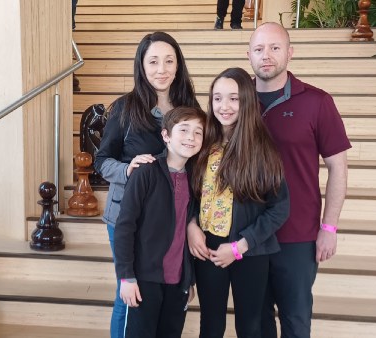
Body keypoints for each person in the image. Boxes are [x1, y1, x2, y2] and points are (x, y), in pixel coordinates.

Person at [247, 22, 351, 338]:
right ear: (248, 55)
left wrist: (329, 227)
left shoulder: (317, 102)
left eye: (275, 48)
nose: (267, 56)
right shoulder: (234, 103)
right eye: (259, 49)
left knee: (295, 322)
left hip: (297, 236)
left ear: (290, 53)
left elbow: (338, 167)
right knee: (254, 324)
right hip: (247, 235)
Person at [94, 31, 200, 338]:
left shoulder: (189, 107)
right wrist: (128, 170)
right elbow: (101, 160)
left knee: (163, 291)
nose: (161, 69)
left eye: (169, 61)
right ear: (141, 66)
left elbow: (194, 167)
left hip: (172, 217)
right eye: (153, 61)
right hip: (127, 216)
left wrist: (192, 220)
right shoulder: (125, 108)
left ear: (178, 65)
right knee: (127, 293)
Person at [187, 67, 290, 338]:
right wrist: (191, 225)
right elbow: (187, 195)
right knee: (210, 326)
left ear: (246, 100)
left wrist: (240, 246)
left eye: (233, 98)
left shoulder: (263, 148)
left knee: (250, 326)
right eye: (217, 98)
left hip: (250, 251)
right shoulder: (201, 144)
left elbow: (279, 207)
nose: (224, 106)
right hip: (208, 250)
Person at [114, 106, 206, 338]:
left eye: (198, 132)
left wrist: (189, 279)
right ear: (166, 135)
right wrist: (126, 277)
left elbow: (185, 227)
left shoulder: (196, 178)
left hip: (178, 281)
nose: (191, 137)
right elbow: (125, 226)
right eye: (183, 130)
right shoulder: (146, 171)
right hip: (145, 279)